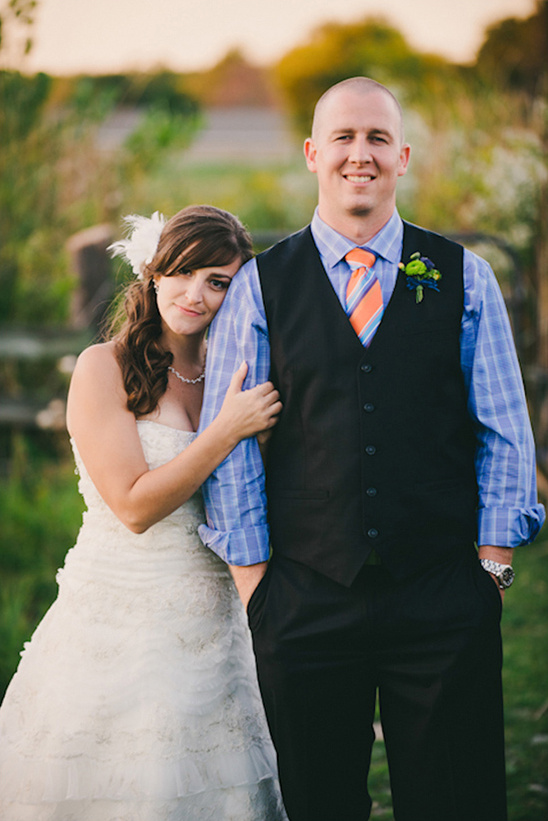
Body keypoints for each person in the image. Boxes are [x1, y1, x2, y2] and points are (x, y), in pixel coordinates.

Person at [197, 78, 546, 821]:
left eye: (379, 138)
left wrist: (492, 568)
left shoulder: (465, 278)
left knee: (455, 799)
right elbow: (228, 446)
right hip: (305, 599)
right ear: (312, 153)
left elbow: (504, 429)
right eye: (345, 138)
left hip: (443, 594)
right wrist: (259, 585)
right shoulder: (261, 287)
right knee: (319, 801)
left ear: (404, 156)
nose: (362, 154)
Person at [0, 205, 287, 820]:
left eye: (219, 283)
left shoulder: (230, 374)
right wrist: (227, 430)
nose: (195, 294)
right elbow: (133, 505)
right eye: (183, 272)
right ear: (153, 273)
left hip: (216, 618)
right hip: (119, 615)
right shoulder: (102, 368)